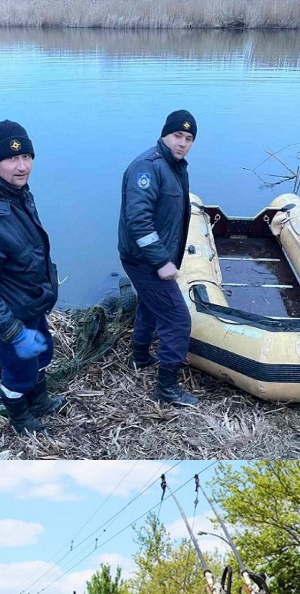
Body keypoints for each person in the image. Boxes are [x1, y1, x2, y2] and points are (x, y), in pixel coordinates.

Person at [0, 120, 63, 435]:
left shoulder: (17, 193)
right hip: (11, 315)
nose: (22, 167)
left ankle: (40, 402)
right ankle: (20, 419)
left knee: (43, 353)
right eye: (12, 159)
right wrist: (12, 330)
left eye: (27, 157)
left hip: (31, 303)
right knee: (18, 373)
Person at [119, 110, 199, 407]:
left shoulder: (174, 166)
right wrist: (161, 261)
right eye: (177, 136)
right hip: (144, 260)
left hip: (150, 257)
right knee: (178, 320)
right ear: (165, 134)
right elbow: (138, 221)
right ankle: (166, 388)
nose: (182, 143)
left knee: (150, 305)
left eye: (188, 139)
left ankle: (139, 357)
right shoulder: (148, 167)